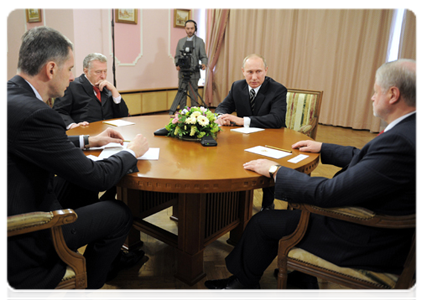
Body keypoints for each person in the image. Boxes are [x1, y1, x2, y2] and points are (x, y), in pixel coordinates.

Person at [204, 58, 420, 300]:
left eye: (375, 91)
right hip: (378, 219)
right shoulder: (413, 129)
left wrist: (276, 171)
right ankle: (302, 274)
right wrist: (323, 147)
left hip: (368, 237)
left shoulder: (399, 141)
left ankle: (244, 283)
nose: (372, 97)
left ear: (392, 94)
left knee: (262, 222)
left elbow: (328, 193)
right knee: (290, 211)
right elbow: (368, 158)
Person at [5, 26, 148, 300]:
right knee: (119, 213)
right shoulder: (36, 112)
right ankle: (84, 288)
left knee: (78, 184)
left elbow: (34, 145)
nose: (72, 77)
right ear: (50, 69)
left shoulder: (11, 96)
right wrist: (130, 152)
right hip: (29, 228)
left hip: (18, 199)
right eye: (70, 69)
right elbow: (98, 177)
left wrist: (88, 141)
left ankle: (109, 259)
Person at [215, 54, 287, 210]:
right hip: (244, 139)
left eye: (259, 71)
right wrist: (222, 117)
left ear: (266, 70)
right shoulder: (237, 86)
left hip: (271, 139)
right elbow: (222, 108)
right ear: (243, 71)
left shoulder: (277, 89)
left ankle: (268, 206)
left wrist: (244, 120)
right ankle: (234, 203)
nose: (254, 77)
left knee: (268, 163)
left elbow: (277, 119)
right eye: (249, 72)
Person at [53, 52, 129, 130]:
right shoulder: (71, 86)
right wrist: (72, 125)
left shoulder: (106, 87)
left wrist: (114, 91)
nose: (103, 76)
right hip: (84, 134)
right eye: (98, 72)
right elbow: (59, 111)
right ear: (86, 71)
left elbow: (123, 115)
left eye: (105, 71)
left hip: (108, 133)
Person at [169, 19, 208, 115]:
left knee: (193, 94)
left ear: (195, 29)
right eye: (188, 28)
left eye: (192, 28)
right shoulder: (181, 41)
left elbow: (203, 56)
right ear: (185, 29)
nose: (190, 30)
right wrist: (177, 64)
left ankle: (194, 115)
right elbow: (177, 56)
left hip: (194, 72)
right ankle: (183, 113)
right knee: (182, 94)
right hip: (182, 72)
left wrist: (204, 63)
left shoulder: (199, 41)